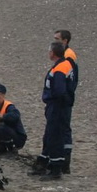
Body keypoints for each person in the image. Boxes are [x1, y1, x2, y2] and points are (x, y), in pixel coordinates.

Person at [29, 42, 76, 180]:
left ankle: (55, 169)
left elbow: (59, 90)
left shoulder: (61, 68)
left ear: (53, 53)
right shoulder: (66, 65)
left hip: (57, 107)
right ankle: (47, 163)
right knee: (50, 135)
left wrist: (53, 101)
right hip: (58, 106)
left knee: (54, 136)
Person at [54, 29, 77, 172]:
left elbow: (69, 80)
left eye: (57, 39)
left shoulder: (68, 56)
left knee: (64, 129)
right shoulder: (67, 55)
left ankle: (65, 162)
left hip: (64, 100)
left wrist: (64, 97)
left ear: (65, 41)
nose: (55, 41)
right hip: (65, 98)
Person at [0, 83, 27, 154]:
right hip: (6, 133)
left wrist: (2, 116)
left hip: (18, 138)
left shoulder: (9, 106)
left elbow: (16, 115)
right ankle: (1, 146)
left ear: (3, 95)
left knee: (1, 127)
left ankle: (11, 148)